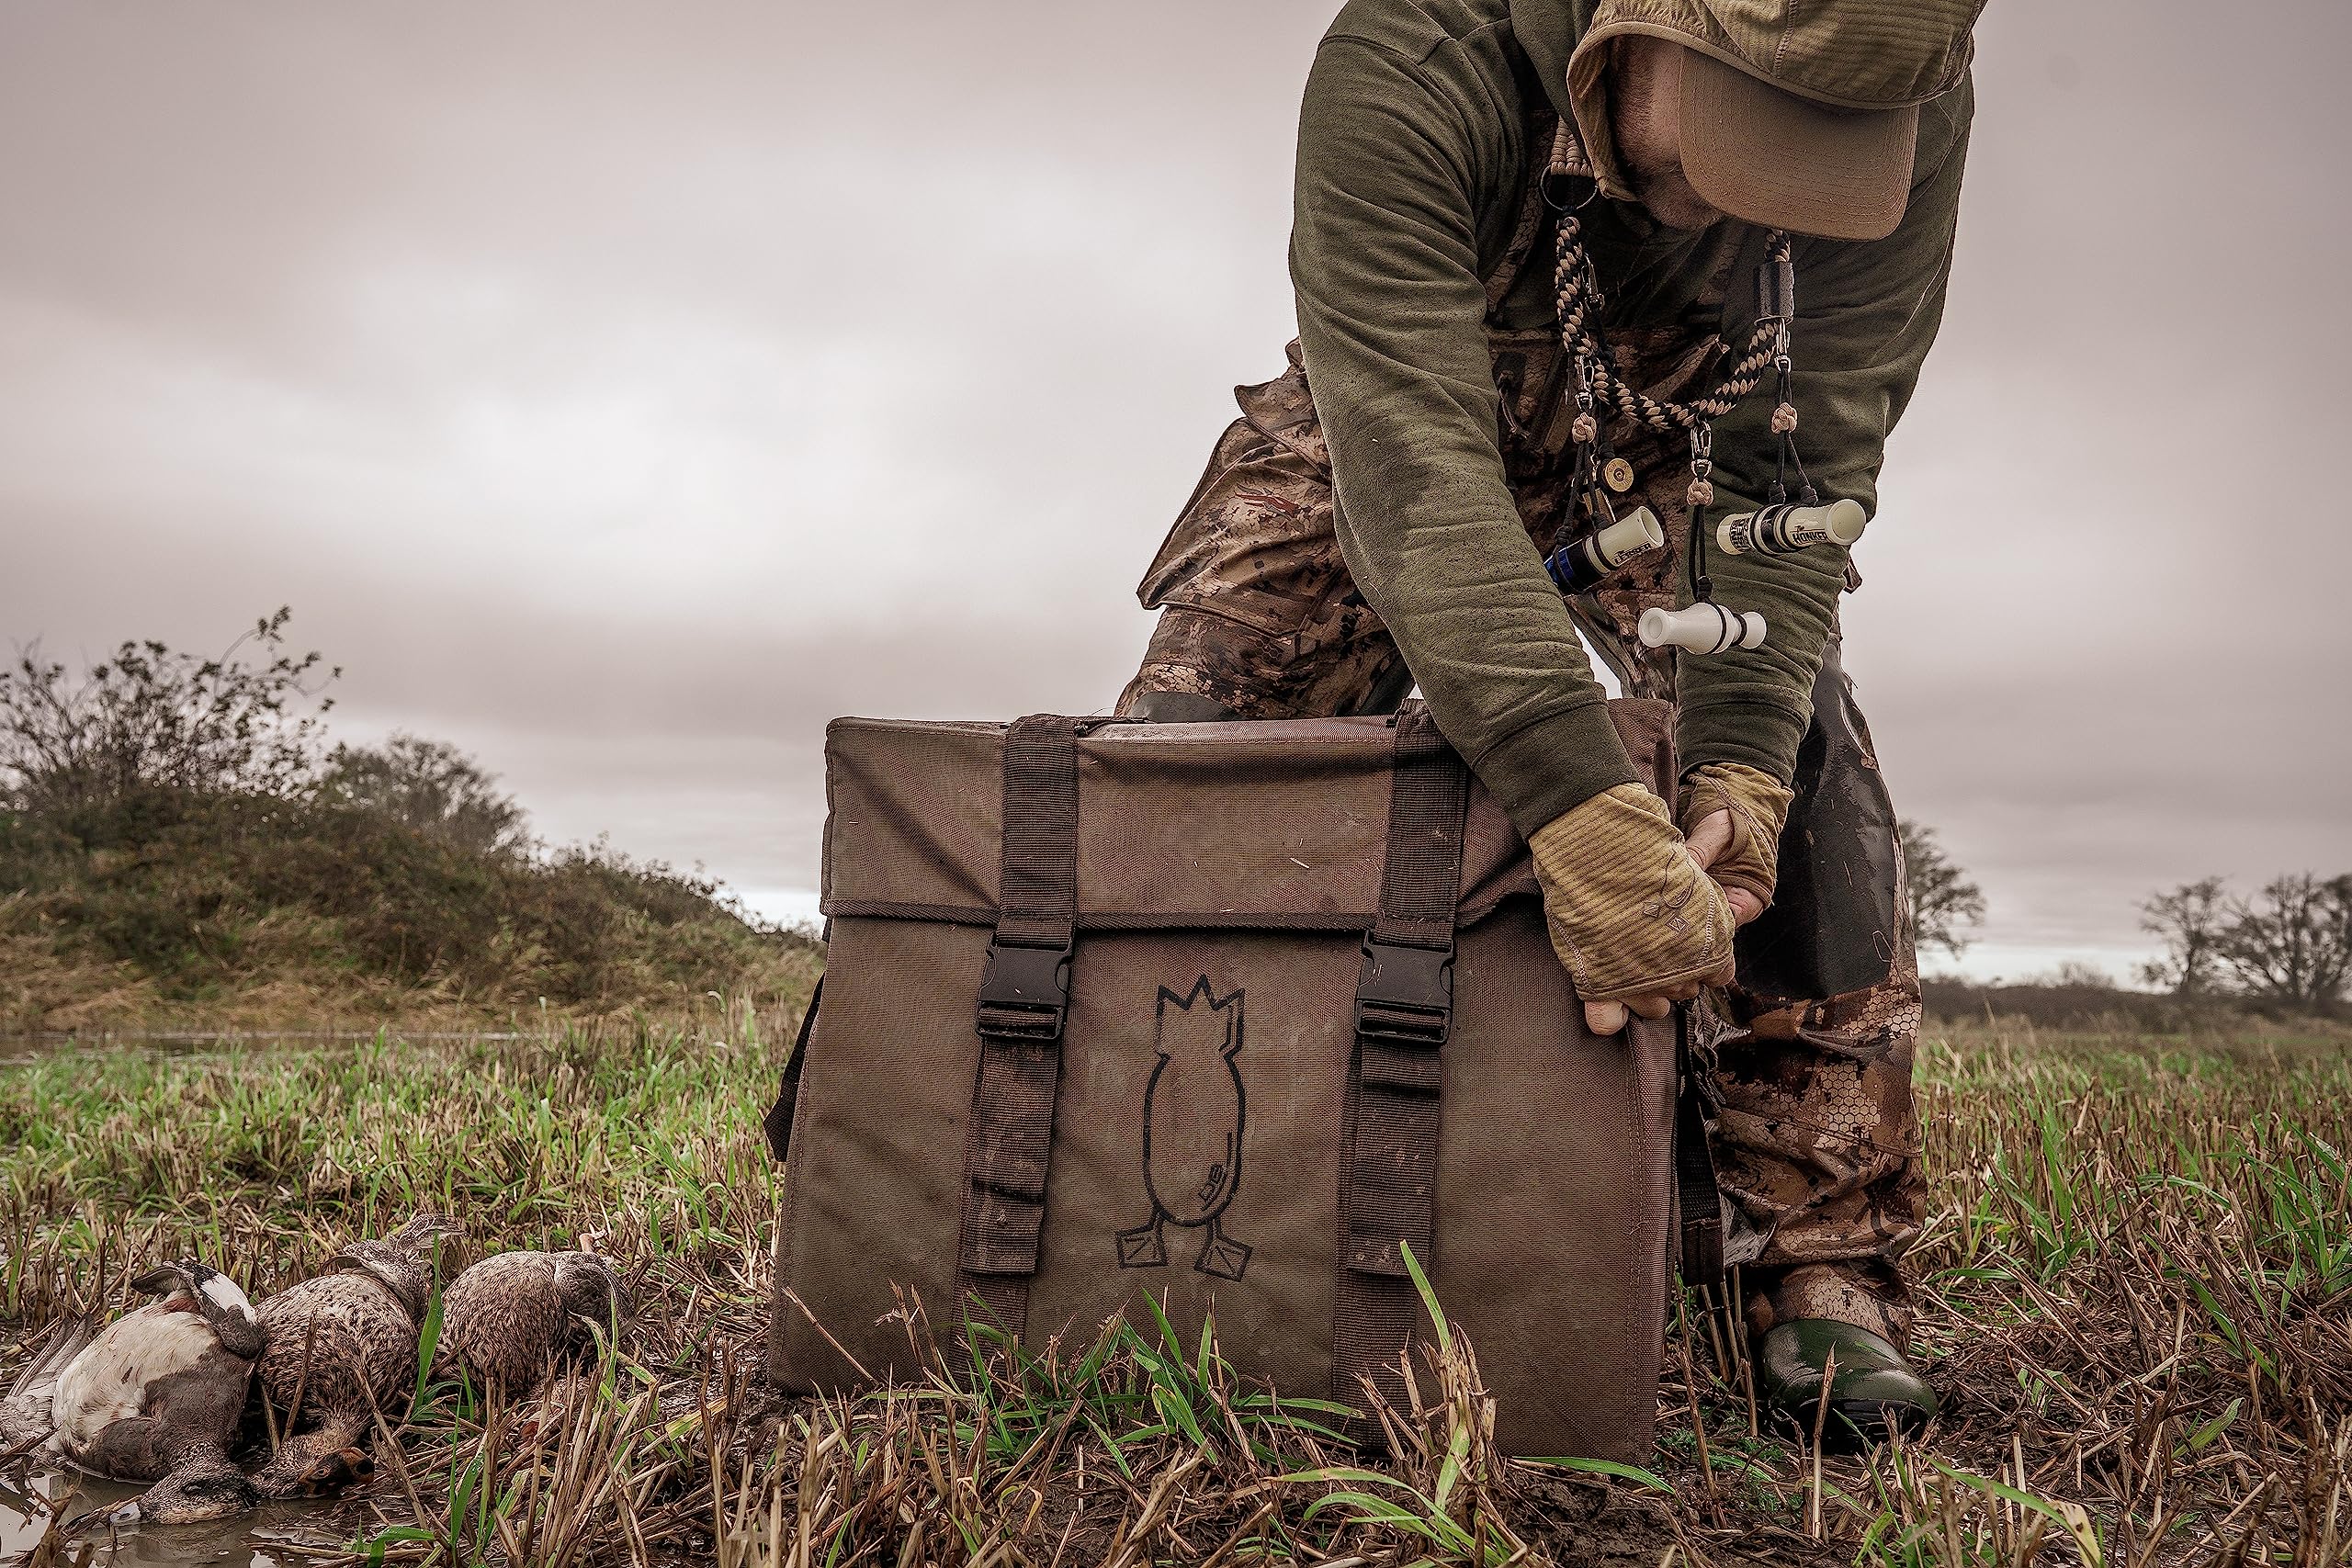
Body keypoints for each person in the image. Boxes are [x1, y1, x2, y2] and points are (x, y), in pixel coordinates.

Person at [1115, 0, 1983, 1437]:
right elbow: (1413, 462)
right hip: (1402, 411)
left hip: (1698, 433)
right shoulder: (1415, 61)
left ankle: (1816, 1262)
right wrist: (1574, 797)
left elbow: (1805, 464)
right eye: (1742, 132)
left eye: (1823, 152)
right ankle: (1175, 1199)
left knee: (1801, 753)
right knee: (1189, 760)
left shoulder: (1913, 85)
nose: (1756, 193)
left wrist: (1742, 767)